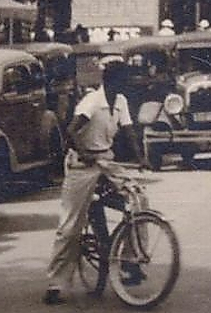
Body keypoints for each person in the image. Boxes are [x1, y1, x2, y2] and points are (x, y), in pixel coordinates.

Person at [43, 59, 135, 305]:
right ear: (110, 81)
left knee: (137, 199)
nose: (125, 84)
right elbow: (71, 132)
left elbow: (129, 132)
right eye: (122, 80)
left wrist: (142, 158)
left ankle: (130, 261)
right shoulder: (92, 102)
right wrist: (83, 152)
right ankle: (56, 284)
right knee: (70, 226)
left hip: (105, 162)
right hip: (82, 166)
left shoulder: (121, 102)